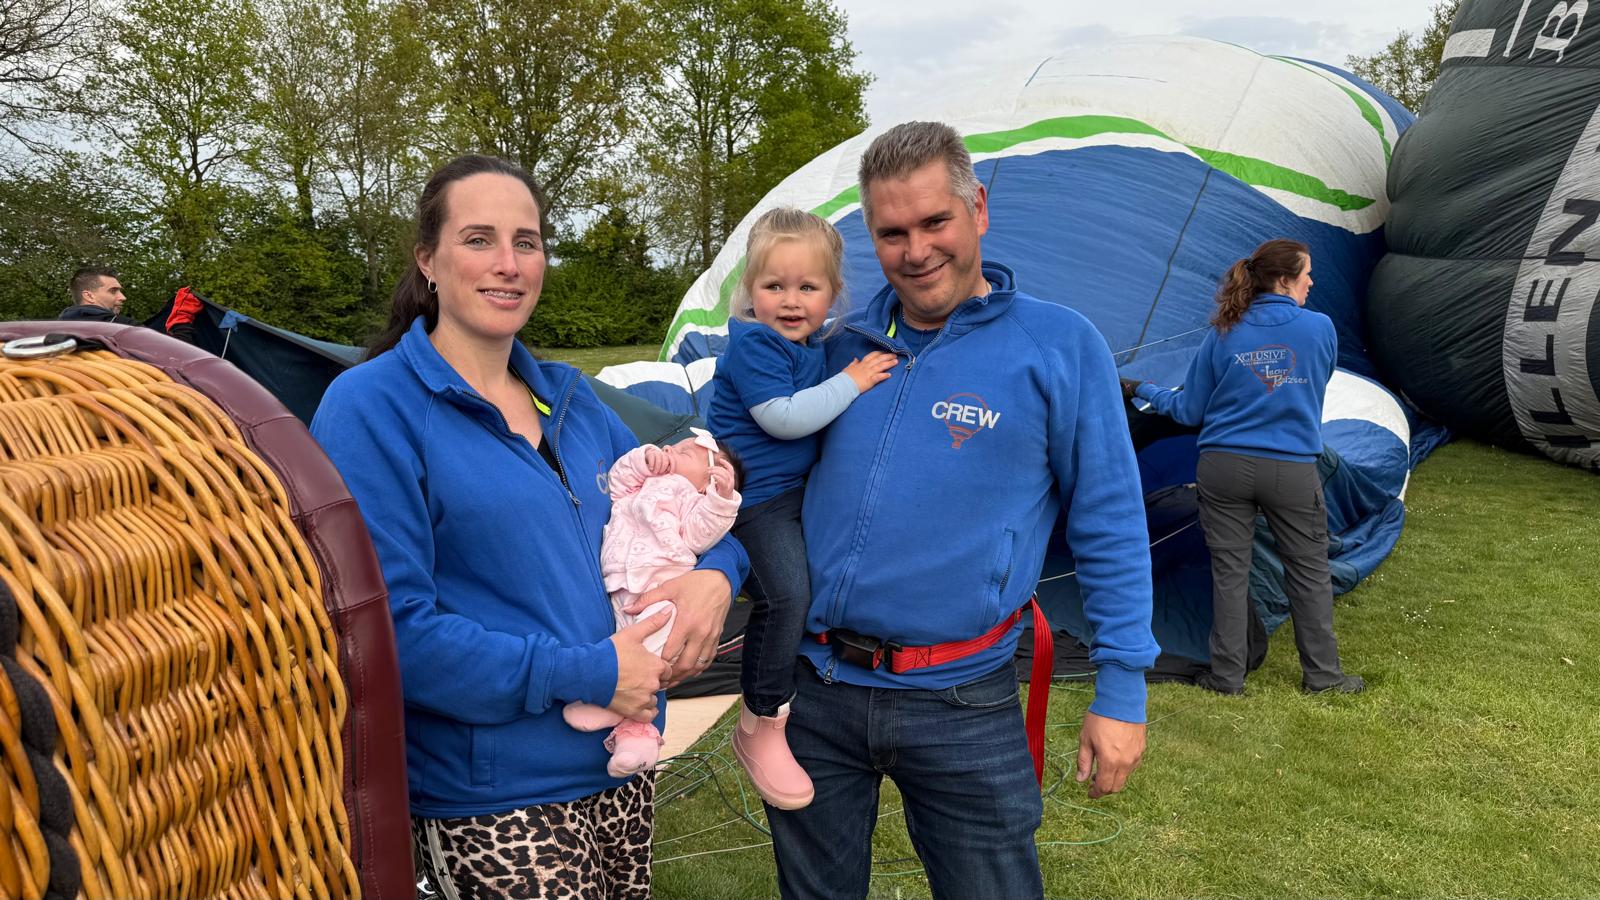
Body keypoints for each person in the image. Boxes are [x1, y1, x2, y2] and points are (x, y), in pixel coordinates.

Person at [309, 154, 747, 898]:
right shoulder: (373, 407)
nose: (508, 264)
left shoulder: (570, 401)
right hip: (491, 799)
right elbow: (390, 633)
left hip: (617, 761)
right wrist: (591, 671)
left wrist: (716, 576)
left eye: (528, 241)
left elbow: (689, 514)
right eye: (478, 239)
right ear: (428, 259)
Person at [765, 121, 1160, 900]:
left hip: (961, 702)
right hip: (815, 692)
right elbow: (759, 484)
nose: (916, 250)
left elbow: (1110, 522)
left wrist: (1122, 688)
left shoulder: (1059, 345)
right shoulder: (833, 346)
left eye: (934, 222)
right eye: (892, 232)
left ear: (977, 208)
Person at [706, 207, 897, 810]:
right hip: (753, 502)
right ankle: (761, 718)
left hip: (794, 496)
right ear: (749, 293)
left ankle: (814, 679)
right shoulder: (757, 346)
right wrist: (854, 382)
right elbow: (783, 420)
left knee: (821, 584)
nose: (790, 301)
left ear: (833, 293)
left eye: (807, 287)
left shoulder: (813, 344)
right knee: (785, 594)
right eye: (774, 286)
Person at [1123, 238, 1365, 698]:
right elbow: (1318, 379)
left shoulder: (1224, 332)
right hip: (1291, 470)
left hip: (1224, 467)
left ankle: (1227, 678)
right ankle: (1323, 677)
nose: (1312, 281)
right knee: (1309, 572)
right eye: (1307, 273)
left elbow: (1189, 409)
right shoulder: (1320, 329)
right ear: (1284, 280)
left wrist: (1142, 388)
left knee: (1230, 573)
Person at [563, 430, 744, 778]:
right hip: (618, 583)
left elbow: (702, 533)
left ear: (706, 481)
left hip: (661, 588)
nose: (673, 452)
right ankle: (630, 725)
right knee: (614, 643)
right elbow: (616, 482)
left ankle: (620, 715)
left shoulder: (694, 502)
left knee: (652, 651)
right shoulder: (639, 487)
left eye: (687, 454)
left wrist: (721, 499)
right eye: (674, 447)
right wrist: (642, 459)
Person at [58, 266, 203, 343]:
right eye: (113, 291)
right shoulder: (121, 327)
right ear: (89, 295)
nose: (123, 297)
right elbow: (178, 356)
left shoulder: (58, 331)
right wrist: (182, 321)